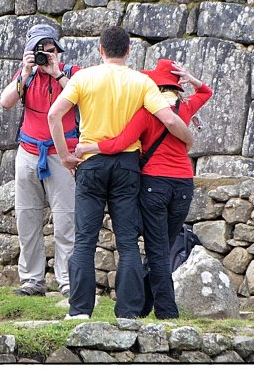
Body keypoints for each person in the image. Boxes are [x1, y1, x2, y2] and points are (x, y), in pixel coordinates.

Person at [47, 27, 194, 319]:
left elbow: (54, 114)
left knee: (85, 239)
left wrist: (65, 156)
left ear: (100, 50)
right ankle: (127, 312)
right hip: (127, 166)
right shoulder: (141, 82)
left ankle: (79, 310)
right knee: (127, 242)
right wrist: (188, 139)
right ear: (129, 51)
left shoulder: (83, 77)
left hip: (90, 163)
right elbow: (168, 118)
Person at [76, 59, 212, 319]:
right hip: (184, 185)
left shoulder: (147, 113)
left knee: (158, 252)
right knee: (163, 249)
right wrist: (190, 77)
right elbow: (206, 92)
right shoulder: (186, 107)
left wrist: (87, 148)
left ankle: (167, 313)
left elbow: (120, 143)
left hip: (155, 185)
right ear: (175, 86)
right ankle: (144, 307)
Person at [0, 24, 80, 297]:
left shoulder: (71, 73)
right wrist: (25, 73)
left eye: (49, 48)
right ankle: (32, 280)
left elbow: (82, 100)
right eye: (39, 50)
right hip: (29, 152)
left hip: (63, 154)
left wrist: (56, 73)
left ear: (58, 49)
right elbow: (6, 101)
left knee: (66, 218)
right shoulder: (27, 76)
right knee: (27, 217)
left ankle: (67, 281)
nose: (44, 54)